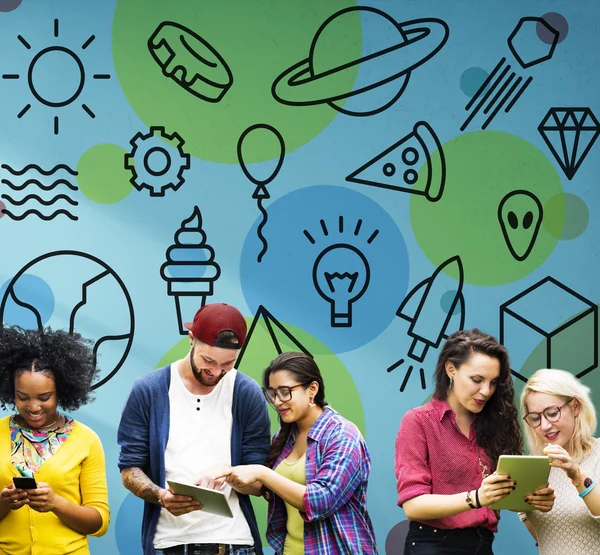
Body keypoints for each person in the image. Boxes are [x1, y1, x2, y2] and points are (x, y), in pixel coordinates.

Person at [117, 303, 271, 555]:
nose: (215, 371)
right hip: (169, 544)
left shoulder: (246, 392)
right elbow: (129, 468)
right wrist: (161, 496)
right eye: (207, 360)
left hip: (234, 542)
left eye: (228, 364)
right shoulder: (149, 390)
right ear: (191, 339)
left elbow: (259, 482)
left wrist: (231, 474)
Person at [395, 328, 555, 554]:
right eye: (477, 380)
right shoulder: (418, 421)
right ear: (451, 369)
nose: (486, 391)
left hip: (482, 544)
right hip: (433, 545)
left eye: (492, 382)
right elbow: (413, 505)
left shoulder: (495, 423)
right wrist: (477, 497)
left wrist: (533, 500)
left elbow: (504, 494)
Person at [219, 352, 378, 554]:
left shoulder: (342, 435)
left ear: (312, 389)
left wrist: (262, 473)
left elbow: (321, 500)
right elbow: (268, 489)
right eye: (272, 393)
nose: (277, 401)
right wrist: (231, 477)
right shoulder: (284, 436)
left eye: (285, 392)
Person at [0, 326, 110, 555]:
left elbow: (99, 522)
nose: (33, 407)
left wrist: (57, 504)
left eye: (44, 397)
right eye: (23, 397)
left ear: (62, 390)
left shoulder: (86, 440)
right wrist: (3, 503)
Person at [519, 368, 600, 554]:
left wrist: (576, 474)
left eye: (552, 413)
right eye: (535, 418)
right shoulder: (533, 469)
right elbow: (545, 540)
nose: (545, 425)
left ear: (575, 407)